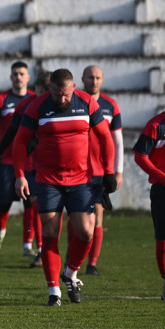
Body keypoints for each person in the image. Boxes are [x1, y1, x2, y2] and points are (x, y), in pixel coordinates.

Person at [12, 69, 116, 306]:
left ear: (73, 88)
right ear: (50, 89)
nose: (62, 99)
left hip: (81, 180)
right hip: (48, 181)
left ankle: (70, 273)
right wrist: (20, 176)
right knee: (50, 233)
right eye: (57, 94)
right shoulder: (37, 106)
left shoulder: (87, 102)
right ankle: (54, 291)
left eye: (66, 94)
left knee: (86, 232)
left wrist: (109, 171)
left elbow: (105, 137)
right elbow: (20, 141)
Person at [0, 70, 50, 268]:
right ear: (39, 89)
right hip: (29, 165)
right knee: (34, 206)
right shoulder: (25, 106)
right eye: (45, 89)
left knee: (47, 209)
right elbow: (12, 133)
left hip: (50, 165)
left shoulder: (60, 106)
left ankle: (42, 249)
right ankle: (40, 250)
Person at [0, 61, 35, 257]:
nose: (18, 77)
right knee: (4, 204)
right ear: (10, 77)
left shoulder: (34, 99)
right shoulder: (1, 99)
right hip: (6, 161)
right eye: (15, 74)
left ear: (28, 77)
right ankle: (0, 233)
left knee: (30, 203)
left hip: (29, 162)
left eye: (22, 73)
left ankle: (27, 246)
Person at [78, 65, 123, 276]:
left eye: (97, 78)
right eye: (90, 77)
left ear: (102, 80)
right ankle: (74, 259)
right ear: (82, 79)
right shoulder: (74, 101)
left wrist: (118, 171)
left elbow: (117, 140)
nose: (93, 81)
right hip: (76, 169)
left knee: (97, 215)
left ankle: (92, 263)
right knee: (76, 216)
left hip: (99, 170)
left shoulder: (110, 105)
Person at [131, 90, 165, 301]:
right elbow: (140, 156)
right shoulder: (157, 124)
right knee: (164, 241)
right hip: (163, 192)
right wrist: (164, 177)